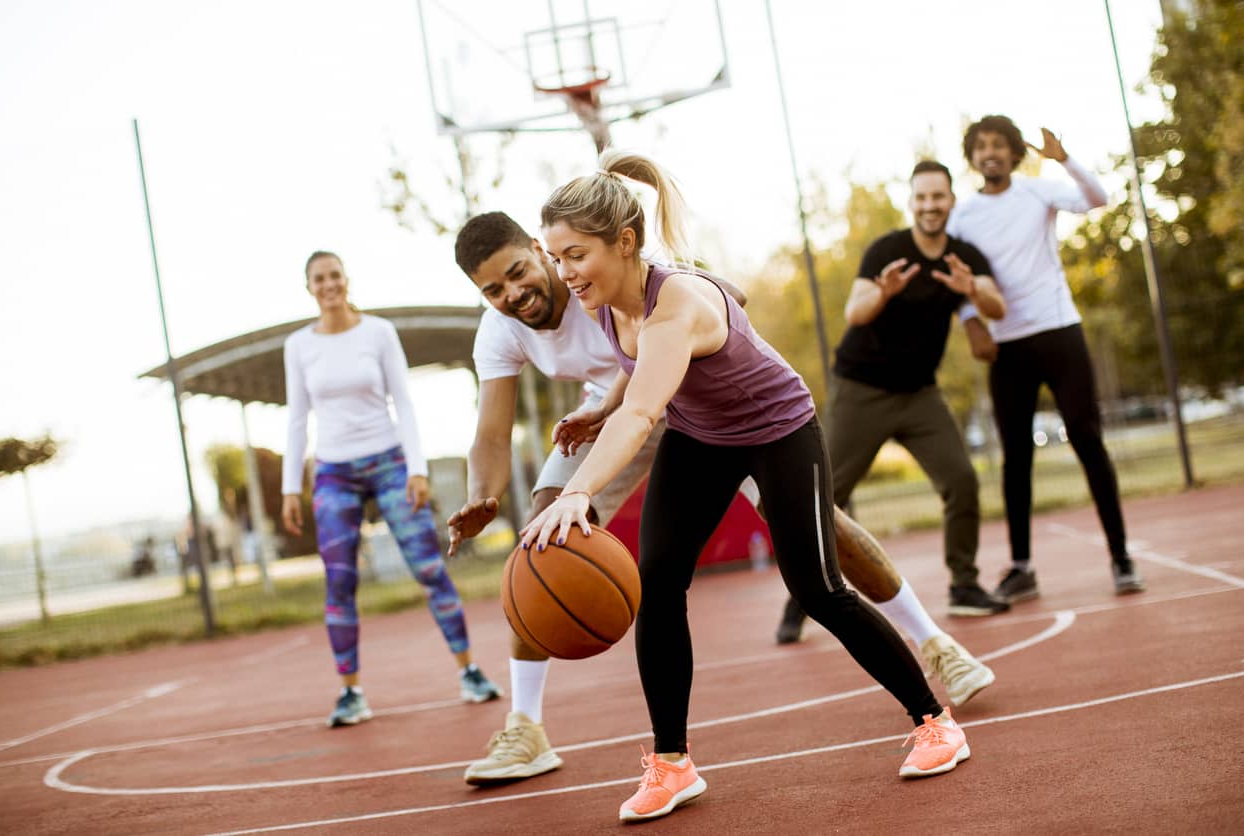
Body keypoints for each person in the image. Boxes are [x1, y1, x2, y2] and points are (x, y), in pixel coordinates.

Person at [449, 212, 994, 787]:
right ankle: (533, 728)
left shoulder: (610, 270)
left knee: (819, 549)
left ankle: (934, 644)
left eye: (518, 273)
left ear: (540, 251)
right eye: (493, 290)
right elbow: (493, 432)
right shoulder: (513, 324)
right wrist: (484, 497)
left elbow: (713, 302)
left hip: (715, 408)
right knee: (545, 541)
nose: (513, 293)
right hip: (617, 415)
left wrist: (705, 302)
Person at [775, 161, 1010, 644]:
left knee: (962, 480)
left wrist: (971, 291)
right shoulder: (888, 250)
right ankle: (801, 598)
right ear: (912, 202)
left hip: (920, 395)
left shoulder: (963, 257)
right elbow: (854, 311)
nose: (930, 206)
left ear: (950, 201)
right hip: (862, 390)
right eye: (922, 198)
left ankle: (964, 583)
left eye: (938, 197)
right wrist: (882, 294)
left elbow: (996, 305)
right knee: (824, 496)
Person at [281, 250, 502, 729]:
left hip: (388, 463)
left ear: (346, 278)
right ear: (309, 287)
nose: (329, 285)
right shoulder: (298, 345)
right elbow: (297, 416)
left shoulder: (378, 332)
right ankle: (351, 693)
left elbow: (403, 401)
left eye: (335, 275)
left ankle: (470, 673)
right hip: (333, 472)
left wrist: (416, 471)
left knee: (429, 568)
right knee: (339, 582)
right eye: (319, 279)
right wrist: (288, 489)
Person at [948, 116, 1145, 600]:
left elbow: (1098, 198)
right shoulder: (962, 217)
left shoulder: (1038, 191)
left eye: (999, 145)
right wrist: (971, 322)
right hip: (1007, 345)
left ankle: (1120, 555)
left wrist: (1064, 159)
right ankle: (1022, 567)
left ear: (1015, 154)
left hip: (1059, 331)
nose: (990, 152)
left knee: (1087, 438)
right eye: (981, 146)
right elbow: (952, 278)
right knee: (1015, 457)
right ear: (972, 158)